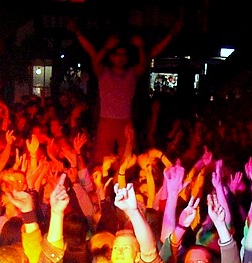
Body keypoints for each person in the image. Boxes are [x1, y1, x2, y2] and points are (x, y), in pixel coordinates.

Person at [67, 19, 182, 165]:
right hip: (106, 121)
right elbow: (93, 57)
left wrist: (142, 46)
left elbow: (147, 59)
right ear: (111, 57)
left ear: (127, 58)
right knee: (99, 161)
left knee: (127, 161)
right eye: (117, 54)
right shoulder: (104, 72)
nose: (121, 58)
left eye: (124, 55)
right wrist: (103, 46)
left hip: (125, 122)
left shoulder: (132, 73)